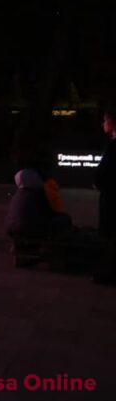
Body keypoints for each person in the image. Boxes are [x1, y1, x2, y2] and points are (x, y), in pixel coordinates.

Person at [5, 168, 73, 239]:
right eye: (35, 177)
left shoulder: (19, 194)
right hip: (28, 230)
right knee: (64, 219)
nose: (38, 178)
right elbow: (46, 213)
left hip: (13, 229)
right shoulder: (36, 194)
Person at [93, 110, 116, 284]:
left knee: (111, 235)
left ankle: (109, 274)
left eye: (104, 120)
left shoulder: (113, 146)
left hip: (112, 199)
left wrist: (98, 182)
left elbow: (104, 174)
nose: (103, 124)